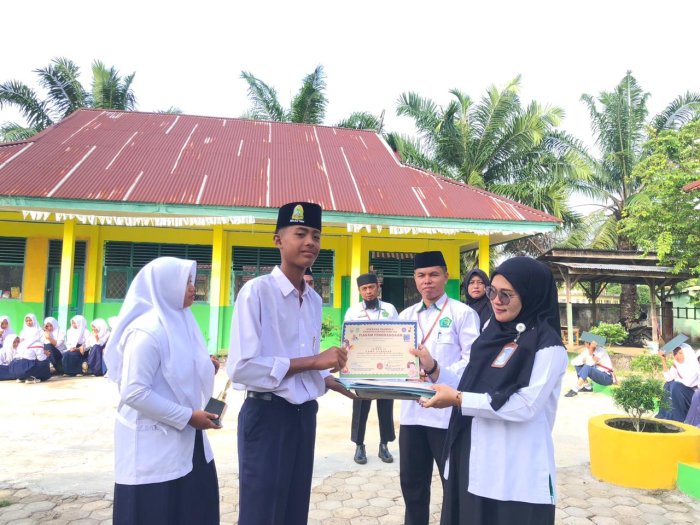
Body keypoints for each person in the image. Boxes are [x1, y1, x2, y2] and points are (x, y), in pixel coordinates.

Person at [418, 256, 568, 525]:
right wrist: (434, 368)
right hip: (472, 453)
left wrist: (459, 400)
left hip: (514, 467)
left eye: (506, 294)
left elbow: (526, 405)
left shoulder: (549, 347)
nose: (496, 301)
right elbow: (470, 379)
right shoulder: (492, 332)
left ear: (530, 295)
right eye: (492, 292)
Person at [227, 201, 351, 525]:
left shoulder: (313, 300)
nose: (310, 242)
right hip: (267, 416)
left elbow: (304, 362)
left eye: (316, 236)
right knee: (261, 513)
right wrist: (314, 361)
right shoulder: (256, 293)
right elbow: (241, 368)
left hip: (304, 416)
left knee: (295, 510)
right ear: (278, 240)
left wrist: (328, 378)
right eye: (300, 233)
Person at [104, 257, 221, 525]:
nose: (192, 287)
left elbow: (176, 370)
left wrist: (206, 367)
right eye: (186, 281)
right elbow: (134, 392)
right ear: (165, 285)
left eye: (192, 281)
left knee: (192, 511)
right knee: (155, 512)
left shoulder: (182, 321)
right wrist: (187, 416)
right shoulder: (146, 331)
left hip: (189, 441)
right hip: (153, 449)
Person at [397, 250, 480, 525]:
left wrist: (435, 370)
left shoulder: (463, 314)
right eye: (421, 275)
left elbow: (472, 363)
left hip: (447, 416)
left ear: (446, 276)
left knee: (452, 485)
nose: (427, 281)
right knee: (412, 485)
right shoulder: (405, 316)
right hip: (412, 414)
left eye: (434, 274)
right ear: (414, 279)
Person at [344, 272, 399, 465]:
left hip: (386, 367)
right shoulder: (353, 312)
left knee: (386, 406)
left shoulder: (390, 309)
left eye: (371, 287)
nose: (368, 291)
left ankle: (384, 445)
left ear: (378, 287)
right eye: (364, 288)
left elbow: (398, 335)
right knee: (360, 405)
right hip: (363, 367)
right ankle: (359, 445)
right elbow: (347, 340)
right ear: (359, 291)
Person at [656, 343, 700, 422]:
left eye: (680, 353)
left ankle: (679, 419)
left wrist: (675, 380)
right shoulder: (677, 364)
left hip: (694, 396)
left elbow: (688, 383)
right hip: (683, 393)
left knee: (676, 386)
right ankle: (664, 415)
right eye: (675, 353)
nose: (677, 356)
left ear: (687, 353)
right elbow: (668, 378)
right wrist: (663, 360)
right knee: (667, 385)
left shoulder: (695, 364)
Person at [3, 314, 51, 382]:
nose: (28, 322)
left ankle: (21, 377)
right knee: (44, 361)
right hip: (31, 359)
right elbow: (41, 357)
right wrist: (45, 355)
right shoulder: (25, 333)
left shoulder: (23, 341)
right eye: (27, 321)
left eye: (30, 320)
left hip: (14, 366)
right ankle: (32, 377)